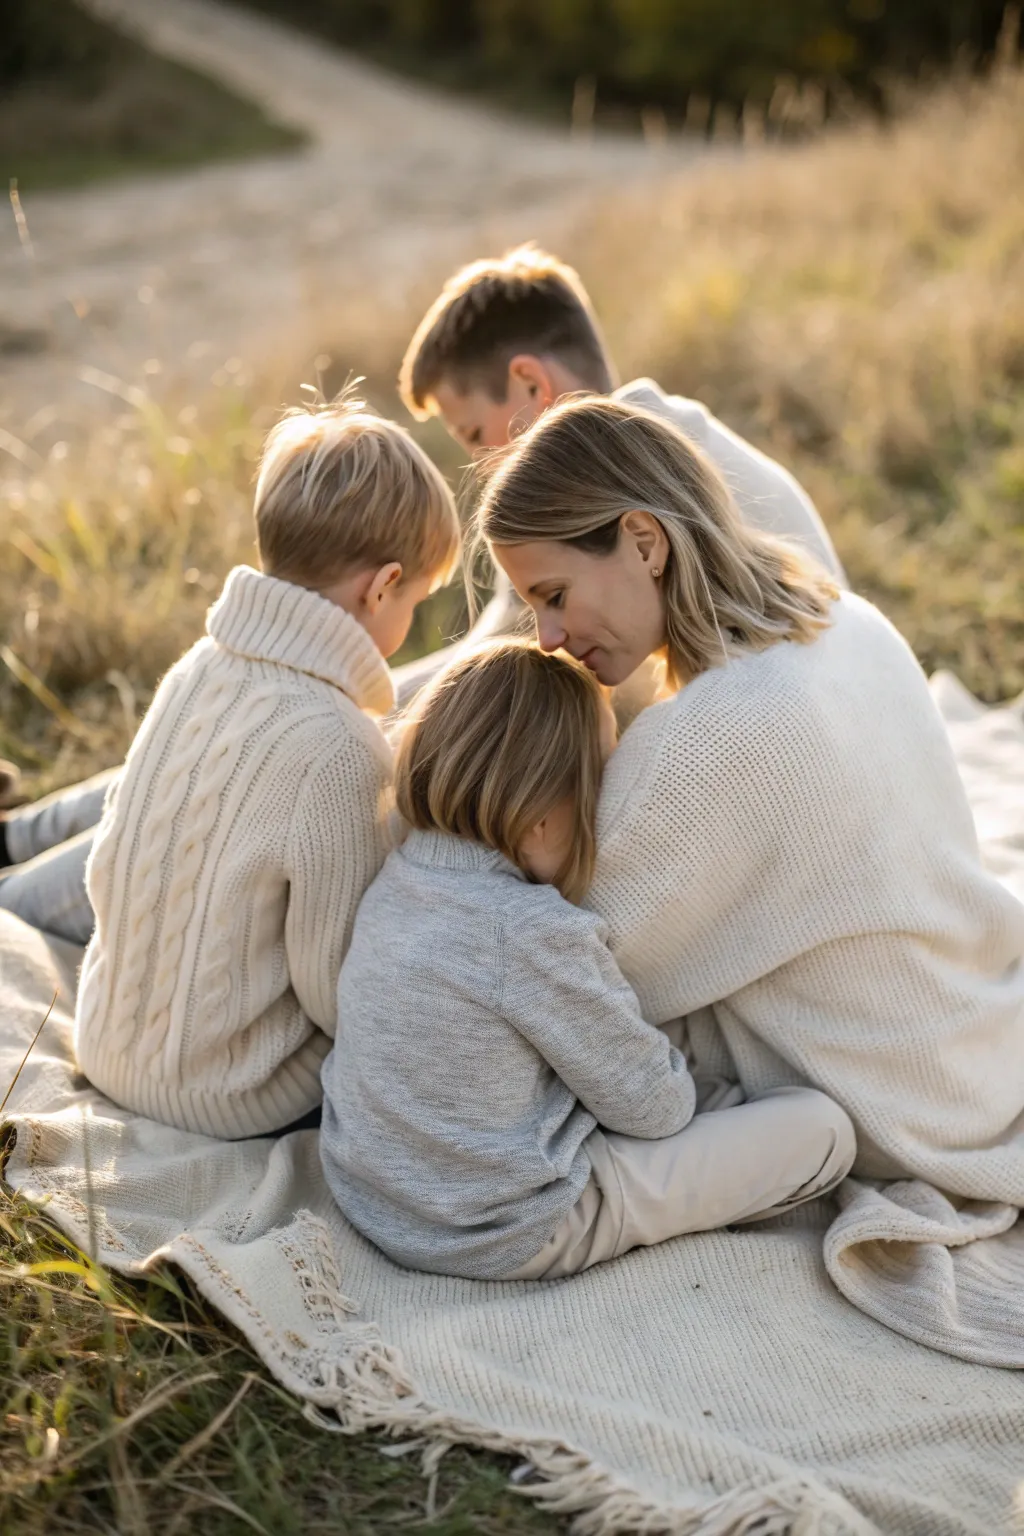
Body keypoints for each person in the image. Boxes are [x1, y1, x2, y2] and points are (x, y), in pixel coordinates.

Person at [0, 242, 842, 936]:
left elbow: (486, 690)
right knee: (281, 721)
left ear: (531, 387)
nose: (481, 468)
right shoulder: (647, 441)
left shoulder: (605, 506)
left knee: (283, 758)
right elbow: (477, 670)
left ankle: (18, 900)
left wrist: (311, 724)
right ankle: (20, 838)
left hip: (664, 798)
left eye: (477, 435)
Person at [474, 394, 1024, 1202]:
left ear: (642, 541)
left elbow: (564, 974)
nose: (546, 636)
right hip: (968, 1043)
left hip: (897, 1105)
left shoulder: (704, 742)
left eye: (553, 595)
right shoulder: (845, 617)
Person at [320, 639, 855, 1280]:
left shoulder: (398, 879)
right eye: (601, 781)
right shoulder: (532, 929)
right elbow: (656, 1111)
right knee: (823, 1131)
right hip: (504, 1230)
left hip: (373, 1197)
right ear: (544, 819)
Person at [72, 396, 460, 1138]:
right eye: (412, 598)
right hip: (230, 1095)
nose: (405, 622)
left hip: (110, 1044)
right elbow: (339, 987)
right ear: (380, 587)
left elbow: (109, 859)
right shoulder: (340, 747)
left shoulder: (196, 669)